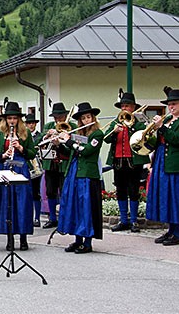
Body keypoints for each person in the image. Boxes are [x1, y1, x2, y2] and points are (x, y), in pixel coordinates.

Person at [147, 87, 179, 246]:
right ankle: (170, 230)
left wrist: (161, 127)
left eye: (174, 104)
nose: (171, 107)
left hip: (178, 166)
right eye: (169, 104)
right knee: (167, 198)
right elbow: (159, 142)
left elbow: (177, 139)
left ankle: (178, 233)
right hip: (163, 162)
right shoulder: (169, 120)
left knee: (177, 199)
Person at [0, 101, 36, 251]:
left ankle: (23, 237)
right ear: (5, 119)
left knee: (22, 203)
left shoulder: (25, 132)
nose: (12, 121)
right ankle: (9, 238)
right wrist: (3, 155)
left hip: (21, 168)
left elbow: (32, 153)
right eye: (9, 118)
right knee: (7, 203)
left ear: (19, 119)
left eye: (15, 118)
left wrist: (21, 148)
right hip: (5, 167)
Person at [57, 102, 104, 254]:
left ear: (93, 118)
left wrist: (69, 141)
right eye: (83, 118)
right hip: (74, 173)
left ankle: (88, 242)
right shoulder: (79, 134)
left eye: (88, 117)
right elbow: (71, 152)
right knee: (75, 206)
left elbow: (87, 150)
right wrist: (59, 144)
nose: (86, 120)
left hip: (88, 176)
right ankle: (77, 240)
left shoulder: (97, 134)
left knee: (86, 208)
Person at [104, 92, 150, 233]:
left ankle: (134, 221)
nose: (125, 108)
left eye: (127, 106)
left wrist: (132, 125)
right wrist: (114, 131)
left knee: (134, 191)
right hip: (118, 161)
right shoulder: (116, 121)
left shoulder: (139, 122)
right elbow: (106, 139)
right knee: (121, 190)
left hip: (133, 161)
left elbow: (144, 137)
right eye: (123, 106)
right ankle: (123, 220)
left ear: (133, 107)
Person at [39, 102, 76, 228]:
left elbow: (74, 144)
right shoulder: (49, 126)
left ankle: (64, 217)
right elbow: (40, 142)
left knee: (64, 191)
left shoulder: (72, 126)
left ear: (65, 116)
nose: (58, 119)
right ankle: (52, 218)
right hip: (51, 164)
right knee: (50, 191)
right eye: (56, 117)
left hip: (64, 164)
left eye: (60, 117)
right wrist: (48, 135)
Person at [24, 113, 43, 227]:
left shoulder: (39, 136)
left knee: (36, 193)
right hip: (25, 165)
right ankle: (28, 217)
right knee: (27, 193)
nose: (31, 125)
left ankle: (37, 218)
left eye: (32, 123)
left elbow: (35, 146)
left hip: (35, 166)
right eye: (29, 123)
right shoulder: (23, 135)